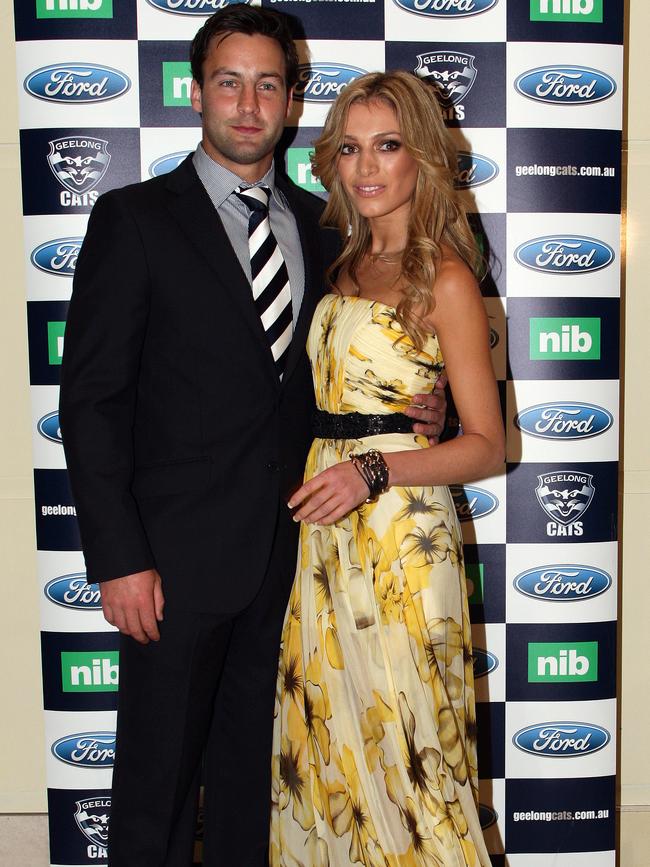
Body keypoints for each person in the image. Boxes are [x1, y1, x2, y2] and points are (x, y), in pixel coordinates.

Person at [58, 8, 445, 866]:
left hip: (300, 555)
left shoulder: (328, 227)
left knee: (254, 779)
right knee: (156, 783)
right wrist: (118, 557)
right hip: (171, 560)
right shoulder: (135, 219)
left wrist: (427, 400)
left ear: (291, 101)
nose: (247, 103)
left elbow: (363, 361)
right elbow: (91, 401)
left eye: (267, 83)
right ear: (197, 93)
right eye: (229, 82)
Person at [270, 70, 505, 866]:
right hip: (325, 539)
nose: (366, 167)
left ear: (423, 159)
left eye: (388, 146)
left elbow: (486, 444)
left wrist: (374, 470)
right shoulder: (337, 267)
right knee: (334, 740)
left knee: (416, 758)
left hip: (403, 538)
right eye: (350, 147)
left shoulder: (446, 277)